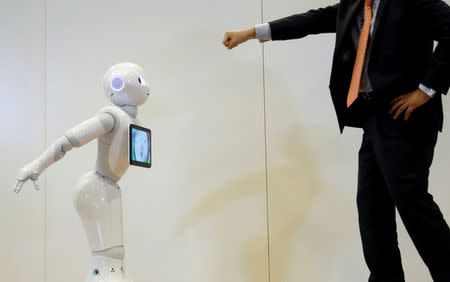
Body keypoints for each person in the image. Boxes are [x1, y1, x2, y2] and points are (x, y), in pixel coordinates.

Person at [223, 1, 450, 281]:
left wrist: (426, 90)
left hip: (406, 118)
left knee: (412, 204)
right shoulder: (355, 5)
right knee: (371, 211)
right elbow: (310, 21)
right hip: (374, 118)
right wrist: (251, 32)